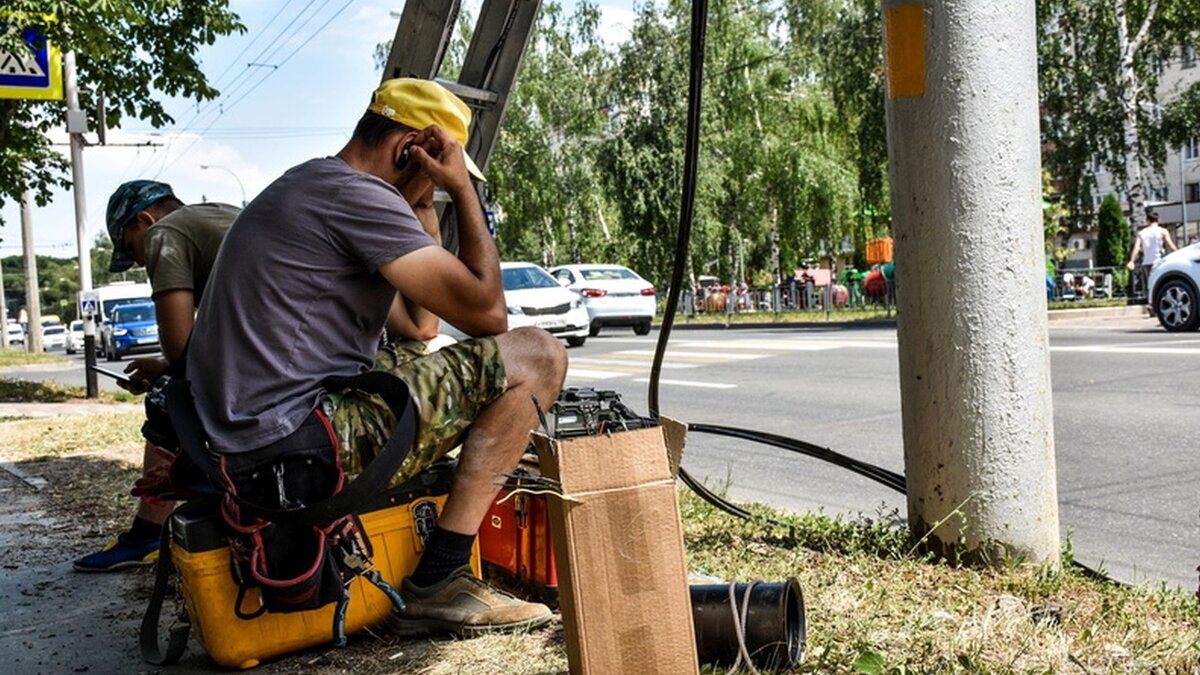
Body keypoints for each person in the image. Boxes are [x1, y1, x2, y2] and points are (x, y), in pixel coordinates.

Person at [184, 78, 566, 636]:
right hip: (293, 450)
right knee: (539, 356)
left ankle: (441, 564)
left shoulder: (314, 187)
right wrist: (463, 193)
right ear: (410, 150)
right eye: (434, 172)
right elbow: (488, 317)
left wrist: (423, 207)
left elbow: (420, 327)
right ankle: (441, 577)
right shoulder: (359, 196)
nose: (433, 190)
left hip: (252, 444)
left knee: (415, 356)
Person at [73, 182, 239, 572]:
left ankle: (148, 532)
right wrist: (167, 365)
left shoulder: (167, 233)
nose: (141, 262)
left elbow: (179, 347)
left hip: (274, 361)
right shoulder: (221, 211)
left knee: (168, 399)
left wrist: (165, 370)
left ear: (145, 220)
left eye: (132, 248)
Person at [1127, 211, 1177, 301]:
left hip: (1147, 262)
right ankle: (1161, 302)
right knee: (1161, 283)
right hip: (1159, 261)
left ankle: (1151, 303)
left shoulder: (1142, 233)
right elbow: (1170, 245)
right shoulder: (1162, 231)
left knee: (1150, 285)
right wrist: (1178, 254)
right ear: (1158, 220)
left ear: (1148, 220)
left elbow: (1136, 248)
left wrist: (1131, 261)